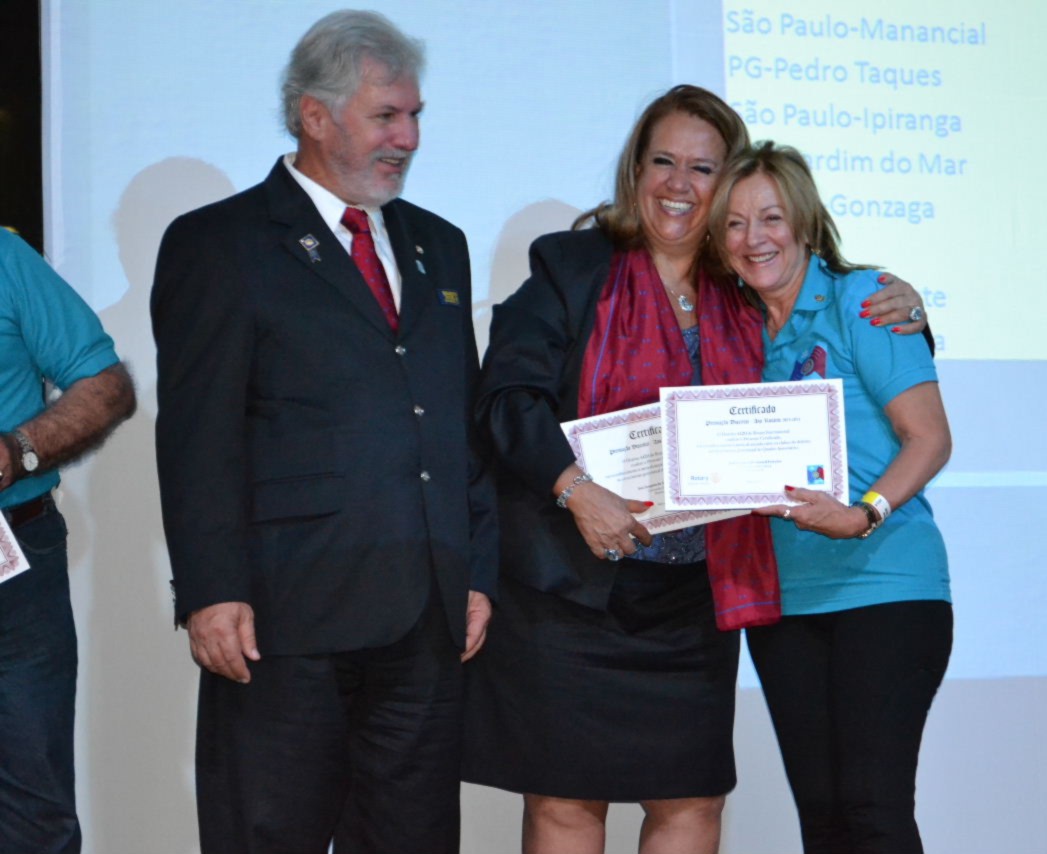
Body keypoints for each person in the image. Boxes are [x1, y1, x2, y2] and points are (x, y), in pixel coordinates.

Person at [462, 86, 928, 854]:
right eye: (663, 162)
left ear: (729, 182)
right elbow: (506, 400)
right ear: (635, 170)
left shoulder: (745, 282)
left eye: (703, 168)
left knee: (692, 803)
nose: (678, 185)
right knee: (566, 803)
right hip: (572, 593)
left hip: (692, 602)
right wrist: (576, 490)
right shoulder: (573, 266)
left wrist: (907, 308)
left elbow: (833, 324)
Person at [150, 11, 496, 853]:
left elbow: (462, 423)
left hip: (424, 617)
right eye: (387, 116)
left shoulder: (439, 245)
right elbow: (197, 434)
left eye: (415, 116)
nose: (408, 138)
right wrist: (210, 588)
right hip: (281, 618)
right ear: (314, 115)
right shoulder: (218, 243)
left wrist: (477, 571)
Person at [709, 140, 953, 854]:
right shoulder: (730, 331)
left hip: (887, 588)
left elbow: (930, 439)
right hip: (783, 603)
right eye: (734, 223)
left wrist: (862, 514)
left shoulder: (866, 300)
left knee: (874, 812)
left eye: (771, 218)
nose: (754, 239)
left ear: (806, 223)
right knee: (824, 823)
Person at [0, 227, 136, 854]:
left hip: (13, 561)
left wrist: (18, 451)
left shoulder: (4, 257)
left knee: (33, 806)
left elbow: (103, 385)